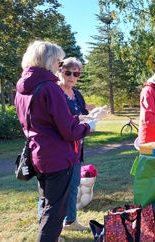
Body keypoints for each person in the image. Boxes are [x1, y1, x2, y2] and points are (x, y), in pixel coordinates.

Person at [15, 40, 95, 242]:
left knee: (47, 203)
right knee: (55, 212)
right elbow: (69, 131)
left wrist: (77, 120)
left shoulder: (24, 88)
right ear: (49, 61)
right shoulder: (50, 88)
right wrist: (89, 126)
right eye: (59, 63)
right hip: (58, 157)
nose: (60, 67)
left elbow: (42, 122)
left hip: (38, 155)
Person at [58, 57, 94, 230]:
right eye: (68, 72)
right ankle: (51, 228)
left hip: (76, 148)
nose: (72, 76)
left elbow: (84, 114)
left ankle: (70, 221)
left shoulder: (77, 94)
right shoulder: (55, 93)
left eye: (76, 73)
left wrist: (95, 114)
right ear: (60, 72)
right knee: (56, 191)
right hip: (60, 149)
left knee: (73, 185)